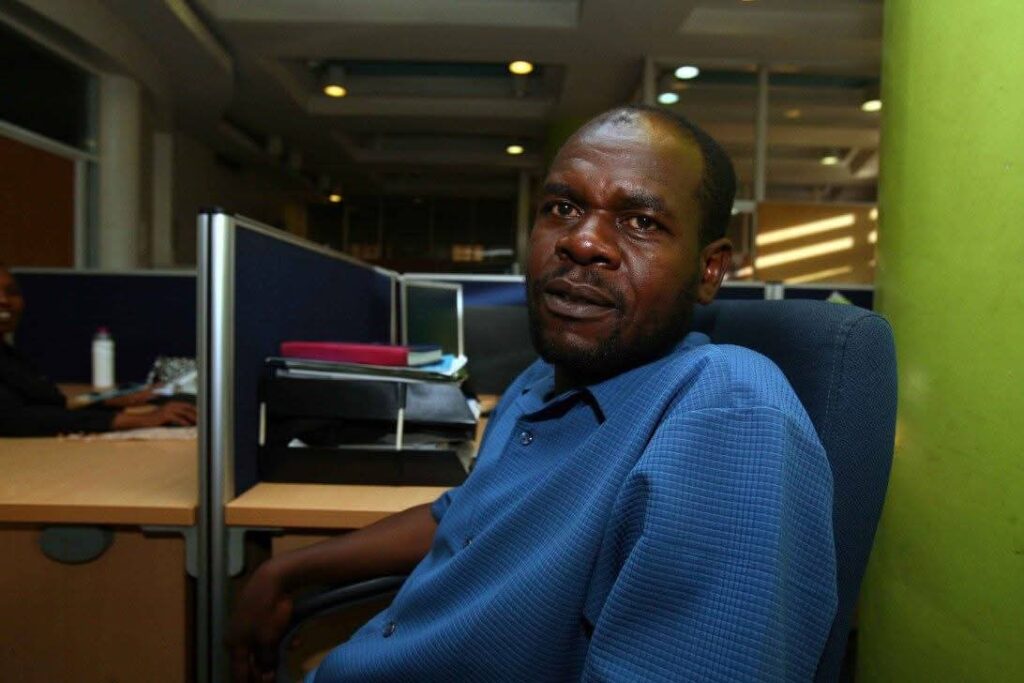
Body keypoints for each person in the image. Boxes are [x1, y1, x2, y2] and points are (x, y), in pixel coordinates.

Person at [229, 105, 837, 682]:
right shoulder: (544, 377)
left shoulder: (725, 411)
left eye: (641, 222)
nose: (583, 241)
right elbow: (464, 516)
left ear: (709, 270)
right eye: (563, 207)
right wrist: (286, 571)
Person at [0, 264, 197, 436]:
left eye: (12, 292)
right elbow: (17, 419)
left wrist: (112, 402)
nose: (4, 300)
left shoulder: (9, 356)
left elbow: (49, 405)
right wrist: (143, 419)